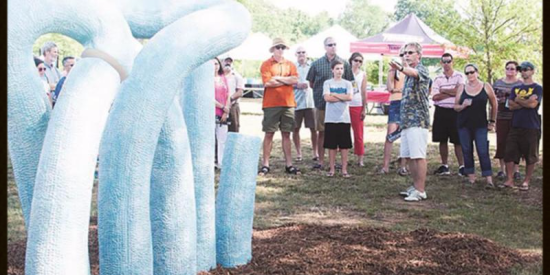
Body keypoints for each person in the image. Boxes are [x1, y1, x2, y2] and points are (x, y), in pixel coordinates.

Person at [390, 42, 431, 202]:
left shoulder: (421, 69)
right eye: (405, 53)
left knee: (418, 156)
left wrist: (400, 68)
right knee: (410, 156)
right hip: (407, 121)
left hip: (418, 120)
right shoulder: (406, 75)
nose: (407, 55)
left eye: (411, 52)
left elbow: (414, 73)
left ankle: (421, 190)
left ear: (419, 55)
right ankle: (415, 187)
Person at [306, 37, 354, 170]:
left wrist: (336, 96)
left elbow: (350, 82)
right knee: (322, 132)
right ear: (325, 47)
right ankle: (321, 160)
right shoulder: (316, 64)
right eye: (330, 45)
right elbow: (311, 82)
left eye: (335, 44)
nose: (333, 47)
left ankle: (338, 163)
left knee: (340, 133)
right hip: (322, 104)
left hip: (341, 108)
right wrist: (327, 96)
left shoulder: (344, 63)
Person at [258, 38, 300, 176]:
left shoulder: (290, 64)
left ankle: (289, 164)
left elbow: (295, 80)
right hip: (271, 104)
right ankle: (265, 164)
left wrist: (278, 78)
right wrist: (286, 81)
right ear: (273, 49)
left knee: (286, 133)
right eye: (278, 47)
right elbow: (268, 83)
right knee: (269, 133)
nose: (280, 49)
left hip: (288, 104)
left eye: (282, 47)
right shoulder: (266, 64)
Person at [500, 61, 542, 191]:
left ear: (532, 71)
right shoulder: (515, 88)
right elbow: (511, 106)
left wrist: (518, 100)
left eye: (526, 69)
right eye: (521, 70)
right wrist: (525, 101)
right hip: (516, 125)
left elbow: (533, 105)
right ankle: (510, 180)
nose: (523, 72)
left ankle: (526, 181)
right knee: (510, 153)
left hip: (531, 126)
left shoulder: (538, 88)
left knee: (530, 155)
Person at [454, 63, 497, 187]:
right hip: (464, 124)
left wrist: (492, 121)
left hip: (480, 124)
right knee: (466, 150)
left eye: (472, 72)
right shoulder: (462, 87)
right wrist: (463, 105)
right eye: (467, 73)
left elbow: (494, 104)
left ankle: (488, 178)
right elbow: (455, 107)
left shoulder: (486, 86)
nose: (470, 75)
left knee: (483, 151)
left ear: (477, 72)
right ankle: (471, 177)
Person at [431, 53, 465, 176]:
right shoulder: (437, 79)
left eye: (448, 61)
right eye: (444, 61)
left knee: (458, 140)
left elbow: (460, 92)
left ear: (452, 62)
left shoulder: (460, 76)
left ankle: (462, 166)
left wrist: (444, 90)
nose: (446, 64)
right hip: (441, 111)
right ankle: (444, 165)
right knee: (442, 139)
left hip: (455, 111)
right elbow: (435, 97)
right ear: (441, 63)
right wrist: (452, 92)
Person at [323, 60, 353, 177]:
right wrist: (342, 97)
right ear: (332, 70)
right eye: (337, 68)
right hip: (330, 118)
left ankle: (344, 169)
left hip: (344, 118)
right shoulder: (327, 83)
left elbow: (349, 97)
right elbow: (327, 98)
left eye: (341, 68)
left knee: (344, 146)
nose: (339, 71)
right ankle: (332, 169)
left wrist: (334, 94)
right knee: (331, 145)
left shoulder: (347, 84)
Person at [493, 61, 523, 180]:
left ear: (517, 71)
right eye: (508, 68)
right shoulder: (498, 83)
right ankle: (502, 169)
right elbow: (493, 101)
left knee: (516, 143)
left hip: (516, 117)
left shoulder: (521, 84)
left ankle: (516, 170)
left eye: (512, 69)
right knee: (501, 142)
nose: (510, 71)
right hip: (501, 116)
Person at [381, 48, 408, 175]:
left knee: (406, 135)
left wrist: (399, 90)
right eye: (402, 54)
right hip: (395, 103)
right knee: (390, 135)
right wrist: (392, 71)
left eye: (408, 53)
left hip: (407, 104)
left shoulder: (413, 70)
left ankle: (403, 166)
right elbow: (390, 88)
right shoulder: (394, 70)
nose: (405, 56)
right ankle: (385, 166)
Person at [292, 46, 318, 162]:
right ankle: (298, 153)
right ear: (295, 54)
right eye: (299, 52)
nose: (301, 54)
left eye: (303, 52)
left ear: (307, 54)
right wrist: (297, 85)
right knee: (295, 128)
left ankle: (315, 152)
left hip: (311, 102)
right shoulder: (292, 67)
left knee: (313, 128)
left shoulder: (313, 66)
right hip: (296, 102)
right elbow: (287, 83)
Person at [348, 52, 367, 167]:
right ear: (351, 61)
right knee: (343, 132)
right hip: (344, 104)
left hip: (357, 105)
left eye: (360, 61)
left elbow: (364, 92)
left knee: (358, 134)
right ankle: (342, 157)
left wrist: (364, 109)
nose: (358, 63)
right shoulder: (345, 72)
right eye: (356, 60)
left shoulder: (363, 74)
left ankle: (360, 158)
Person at [213, 57, 231, 169]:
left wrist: (226, 110)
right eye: (213, 64)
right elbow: (209, 97)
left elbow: (228, 94)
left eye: (216, 64)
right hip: (212, 111)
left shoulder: (223, 78)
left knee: (222, 139)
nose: (215, 66)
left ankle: (221, 162)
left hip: (223, 113)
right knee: (210, 139)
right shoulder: (206, 80)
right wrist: (222, 107)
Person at [223, 56, 245, 133]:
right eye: (226, 61)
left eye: (230, 61)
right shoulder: (217, 76)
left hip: (232, 106)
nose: (228, 63)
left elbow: (240, 92)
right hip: (219, 106)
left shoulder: (237, 76)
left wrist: (229, 100)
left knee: (233, 129)